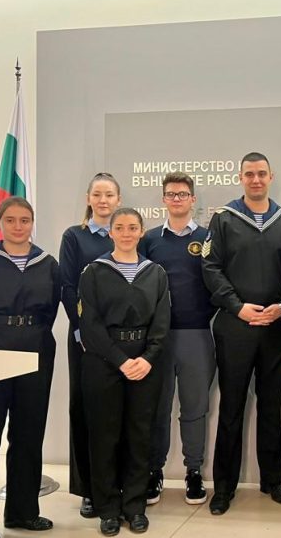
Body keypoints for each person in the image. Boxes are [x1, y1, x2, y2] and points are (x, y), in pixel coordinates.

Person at [202, 151, 281, 515]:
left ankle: (273, 481)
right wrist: (237, 306)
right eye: (249, 174)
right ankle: (224, 488)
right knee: (231, 407)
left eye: (261, 173)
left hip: (275, 328)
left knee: (272, 406)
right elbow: (210, 268)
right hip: (235, 326)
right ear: (240, 177)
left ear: (271, 177)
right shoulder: (224, 219)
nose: (256, 179)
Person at [0, 197, 60, 538]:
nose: (18, 226)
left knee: (28, 434)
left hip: (36, 349)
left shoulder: (48, 264)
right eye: (11, 220)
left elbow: (51, 309)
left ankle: (22, 512)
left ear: (32, 223)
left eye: (25, 220)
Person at [78, 207, 171, 536]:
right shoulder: (94, 272)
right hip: (104, 361)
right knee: (105, 436)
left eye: (133, 227)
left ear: (142, 231)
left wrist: (147, 358)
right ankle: (108, 508)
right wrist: (119, 360)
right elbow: (89, 324)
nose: (127, 233)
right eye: (120, 227)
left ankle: (134, 506)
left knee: (139, 435)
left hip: (145, 363)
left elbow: (162, 322)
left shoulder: (155, 273)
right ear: (111, 232)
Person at [141, 172, 217, 505]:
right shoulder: (149, 240)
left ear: (192, 199)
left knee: (195, 408)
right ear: (163, 199)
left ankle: (194, 472)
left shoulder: (207, 238)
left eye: (182, 194)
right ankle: (154, 471)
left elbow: (217, 282)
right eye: (171, 194)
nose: (176, 199)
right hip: (158, 338)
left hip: (196, 334)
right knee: (157, 408)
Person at [60, 172, 120, 518]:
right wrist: (82, 330)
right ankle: (88, 489)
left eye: (109, 194)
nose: (103, 200)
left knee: (118, 414)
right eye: (97, 194)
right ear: (88, 199)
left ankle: (117, 484)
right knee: (84, 411)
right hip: (85, 340)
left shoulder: (127, 234)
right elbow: (67, 287)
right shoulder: (75, 237)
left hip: (122, 342)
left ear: (118, 199)